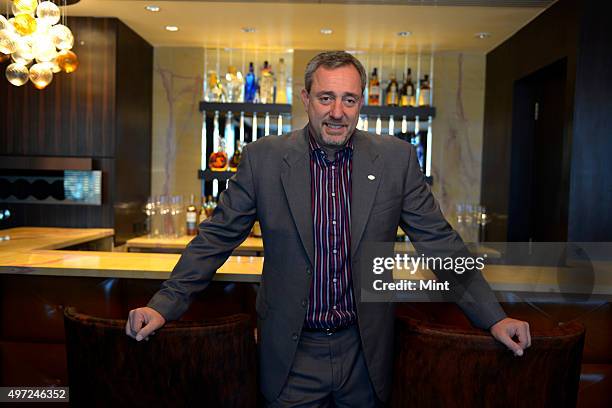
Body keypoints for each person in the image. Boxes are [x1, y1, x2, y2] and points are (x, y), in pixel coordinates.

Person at [126, 51, 531, 407]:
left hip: (365, 354)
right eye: (326, 98)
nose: (337, 111)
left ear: (361, 103)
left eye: (349, 99)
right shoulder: (263, 159)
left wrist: (492, 316)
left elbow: (440, 243)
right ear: (306, 100)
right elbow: (216, 238)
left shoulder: (396, 159)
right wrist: (163, 304)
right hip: (291, 353)